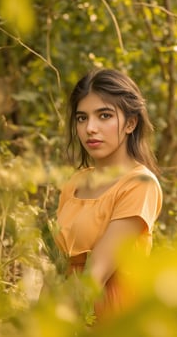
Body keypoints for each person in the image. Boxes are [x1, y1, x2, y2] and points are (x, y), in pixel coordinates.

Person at [54, 68, 163, 322]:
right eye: (82, 118)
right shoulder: (76, 182)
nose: (90, 128)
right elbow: (57, 266)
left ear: (130, 123)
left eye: (104, 115)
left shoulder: (140, 184)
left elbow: (95, 275)